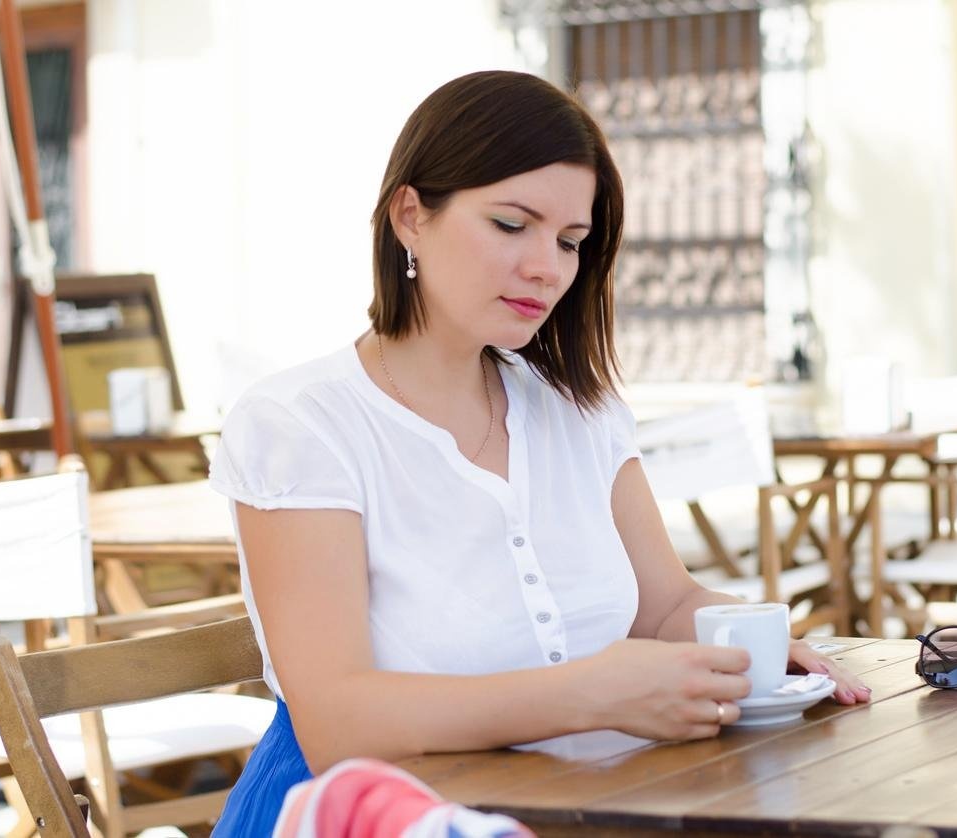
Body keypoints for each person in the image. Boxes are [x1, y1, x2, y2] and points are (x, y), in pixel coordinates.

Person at [208, 70, 870, 835]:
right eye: (511, 225)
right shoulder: (301, 425)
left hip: (597, 804)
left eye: (569, 242)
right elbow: (337, 722)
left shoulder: (580, 410)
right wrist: (590, 694)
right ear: (410, 216)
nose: (547, 268)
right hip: (376, 815)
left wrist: (757, 645)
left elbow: (664, 606)